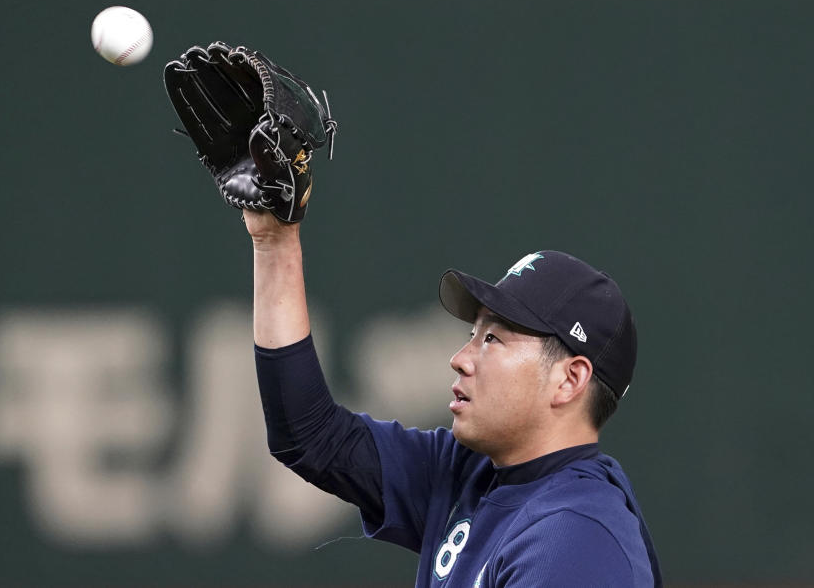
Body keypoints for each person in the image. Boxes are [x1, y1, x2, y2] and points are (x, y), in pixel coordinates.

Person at [243, 207, 661, 586]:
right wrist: (275, 239)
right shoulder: (472, 472)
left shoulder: (576, 541)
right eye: (471, 335)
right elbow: (310, 435)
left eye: (493, 339)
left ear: (569, 380)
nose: (461, 359)